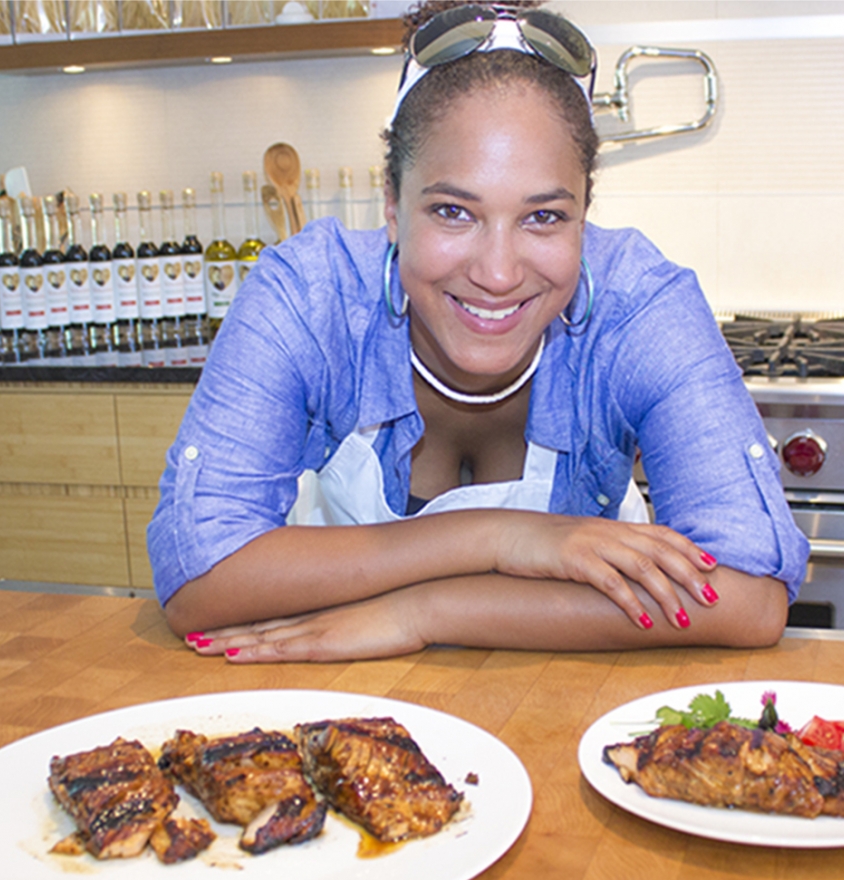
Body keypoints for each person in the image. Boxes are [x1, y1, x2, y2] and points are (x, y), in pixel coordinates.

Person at [147, 0, 810, 663]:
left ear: (584, 211)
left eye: (544, 217)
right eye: (452, 211)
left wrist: (425, 610)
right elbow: (198, 580)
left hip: (564, 714)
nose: (496, 273)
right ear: (391, 206)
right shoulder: (307, 297)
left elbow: (750, 598)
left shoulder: (639, 305)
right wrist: (499, 539)